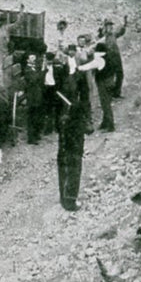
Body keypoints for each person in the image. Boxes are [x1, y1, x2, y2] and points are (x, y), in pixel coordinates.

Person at [57, 72, 88, 211]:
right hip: (74, 146)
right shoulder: (77, 107)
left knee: (63, 172)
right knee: (74, 172)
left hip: (63, 146)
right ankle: (70, 202)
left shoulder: (64, 107)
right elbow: (84, 128)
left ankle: (64, 199)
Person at [103, 15, 128, 98]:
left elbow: (121, 32)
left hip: (116, 57)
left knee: (120, 74)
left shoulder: (113, 34)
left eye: (111, 25)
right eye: (108, 25)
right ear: (105, 27)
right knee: (110, 76)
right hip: (108, 58)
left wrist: (125, 23)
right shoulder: (103, 37)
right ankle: (109, 94)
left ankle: (117, 93)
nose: (110, 27)